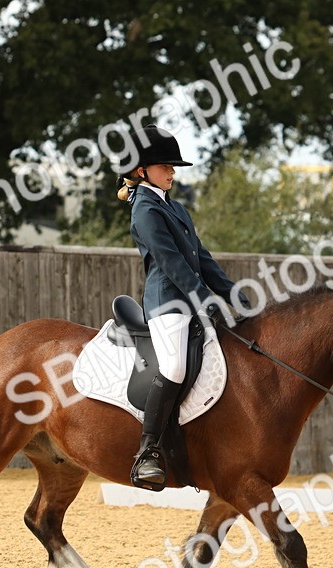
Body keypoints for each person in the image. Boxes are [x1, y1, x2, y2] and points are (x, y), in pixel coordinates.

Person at [115, 125, 248, 489]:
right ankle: (148, 451)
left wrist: (233, 294)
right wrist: (205, 299)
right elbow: (171, 262)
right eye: (166, 166)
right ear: (142, 170)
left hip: (190, 302)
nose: (173, 171)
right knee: (173, 366)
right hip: (167, 305)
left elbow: (202, 259)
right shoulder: (144, 209)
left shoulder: (174, 208)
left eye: (174, 167)